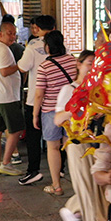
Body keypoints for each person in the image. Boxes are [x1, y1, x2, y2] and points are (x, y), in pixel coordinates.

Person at [54, 50, 108, 221]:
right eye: (88, 63)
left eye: (96, 64)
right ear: (78, 64)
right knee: (87, 187)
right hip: (78, 145)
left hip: (101, 144)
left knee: (104, 188)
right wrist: (76, 107)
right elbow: (58, 119)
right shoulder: (69, 89)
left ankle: (72, 208)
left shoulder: (102, 90)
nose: (92, 67)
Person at [33, 31, 77, 196]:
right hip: (71, 112)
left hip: (51, 112)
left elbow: (39, 94)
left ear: (48, 46)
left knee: (53, 148)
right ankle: (78, 184)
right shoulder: (73, 61)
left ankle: (56, 186)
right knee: (70, 147)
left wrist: (34, 115)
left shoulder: (45, 66)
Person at [16, 14, 54, 186]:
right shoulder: (60, 44)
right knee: (56, 137)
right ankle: (59, 169)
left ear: (38, 28)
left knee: (33, 137)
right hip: (56, 99)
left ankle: (33, 171)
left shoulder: (32, 46)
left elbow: (22, 67)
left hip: (35, 99)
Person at [0, 22, 23, 175]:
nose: (13, 36)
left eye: (14, 33)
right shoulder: (3, 49)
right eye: (9, 33)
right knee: (16, 130)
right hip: (7, 97)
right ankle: (6, 162)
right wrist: (20, 65)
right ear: (0, 34)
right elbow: (4, 71)